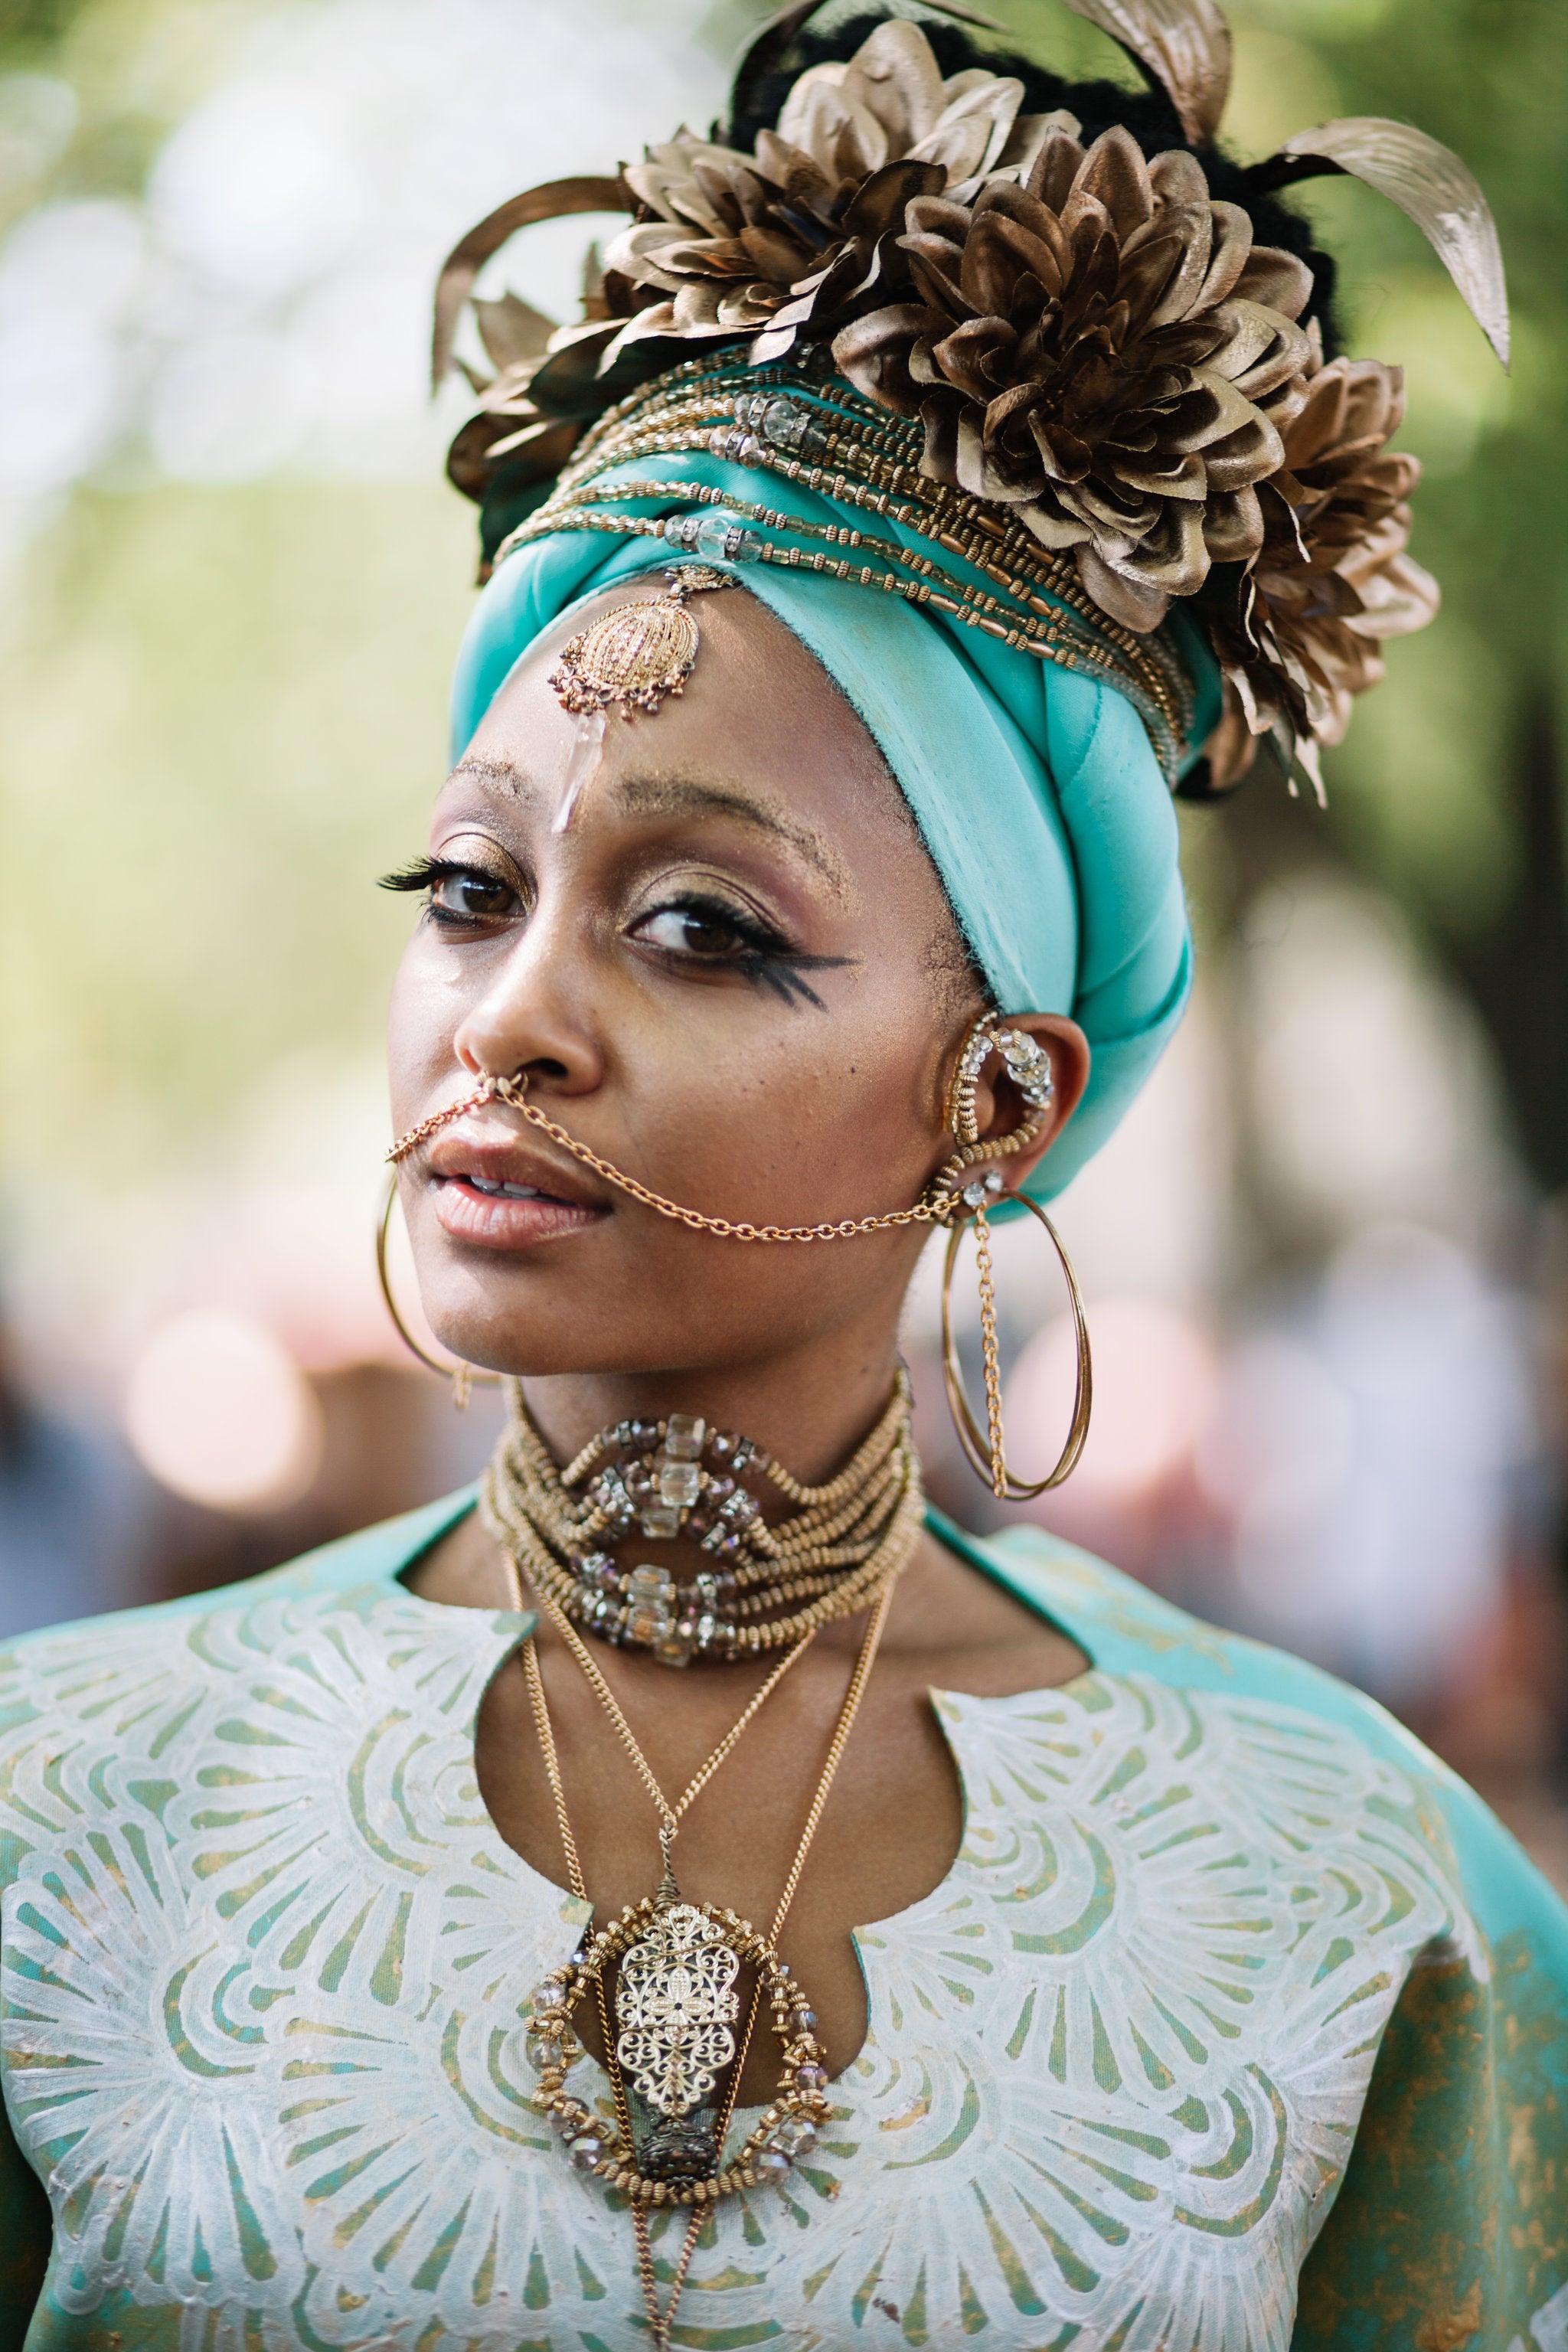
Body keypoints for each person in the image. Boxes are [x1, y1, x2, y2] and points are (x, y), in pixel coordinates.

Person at [2, 7, 1563, 2348]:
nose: (509, 1017)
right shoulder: (58, 1818)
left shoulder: (1352, 1892)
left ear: (1001, 1098)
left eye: (703, 928)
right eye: (465, 892)